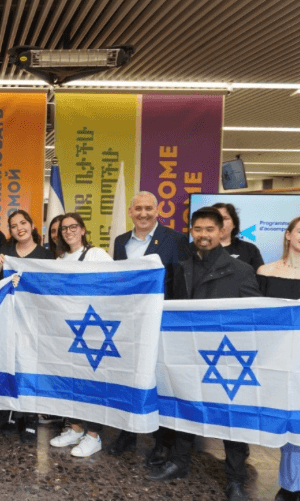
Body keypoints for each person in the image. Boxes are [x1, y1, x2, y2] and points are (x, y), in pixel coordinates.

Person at [146, 207, 260, 501]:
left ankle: (236, 480)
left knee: (231, 419)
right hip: (189, 354)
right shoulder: (182, 267)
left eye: (209, 229)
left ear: (222, 231)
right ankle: (180, 463)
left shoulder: (241, 270)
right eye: (198, 229)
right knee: (186, 409)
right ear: (191, 232)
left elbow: (253, 315)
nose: (203, 235)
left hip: (226, 357)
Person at [107, 191, 191, 463]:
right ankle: (127, 432)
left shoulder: (176, 240)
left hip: (161, 322)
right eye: (138, 209)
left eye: (148, 209)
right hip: (128, 322)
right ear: (130, 212)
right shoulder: (120, 242)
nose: (143, 213)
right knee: (127, 375)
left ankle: (162, 441)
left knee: (160, 380)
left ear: (158, 211)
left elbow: (181, 283)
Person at [257, 216, 300, 501]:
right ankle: (289, 483)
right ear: (287, 235)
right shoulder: (265, 271)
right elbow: (256, 315)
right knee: (287, 421)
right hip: (279, 358)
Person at [43, 212, 112, 457]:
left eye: (73, 227)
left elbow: (113, 285)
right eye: (64, 229)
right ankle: (75, 428)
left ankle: (93, 436)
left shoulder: (97, 255)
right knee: (70, 381)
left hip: (92, 329)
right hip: (67, 329)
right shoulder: (60, 258)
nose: (69, 231)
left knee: (91, 383)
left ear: (83, 230)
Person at [0, 210, 53, 444]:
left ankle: (31, 419)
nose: (19, 228)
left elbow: (49, 288)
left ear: (32, 224)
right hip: (10, 318)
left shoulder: (46, 255)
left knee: (32, 367)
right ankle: (13, 415)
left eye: (23, 223)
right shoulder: (6, 253)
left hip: (36, 320)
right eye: (14, 225)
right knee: (13, 365)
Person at [212, 202, 265, 271]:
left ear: (234, 224)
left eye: (224, 218)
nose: (220, 222)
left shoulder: (250, 249)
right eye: (215, 218)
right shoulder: (198, 249)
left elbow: (260, 278)